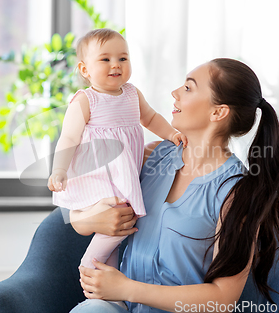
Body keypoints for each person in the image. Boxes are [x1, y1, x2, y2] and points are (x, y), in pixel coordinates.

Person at [67, 58, 279, 313]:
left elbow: (222, 300)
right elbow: (77, 210)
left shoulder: (235, 191)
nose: (175, 93)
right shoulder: (153, 156)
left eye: (188, 88)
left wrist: (126, 288)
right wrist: (93, 220)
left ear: (218, 112)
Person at [47, 28, 187, 272]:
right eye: (105, 59)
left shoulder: (132, 93)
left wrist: (171, 134)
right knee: (121, 216)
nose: (116, 65)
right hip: (99, 173)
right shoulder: (85, 100)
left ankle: (105, 287)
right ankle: (90, 265)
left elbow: (151, 118)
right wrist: (59, 169)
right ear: (84, 69)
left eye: (123, 58)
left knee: (117, 225)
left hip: (123, 172)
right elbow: (68, 137)